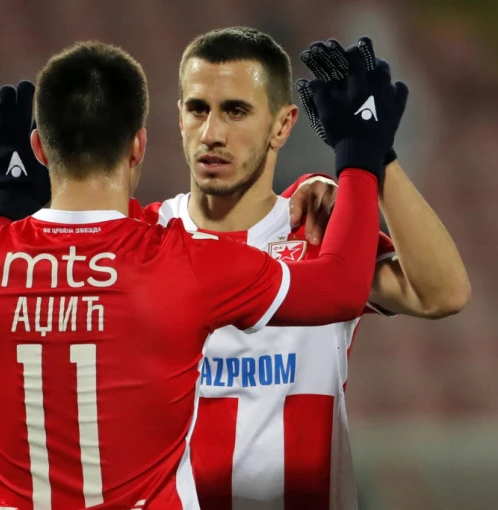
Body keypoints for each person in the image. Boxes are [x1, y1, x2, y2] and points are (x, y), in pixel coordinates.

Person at [0, 40, 404, 508]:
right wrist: (358, 155)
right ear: (138, 146)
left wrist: (5, 207)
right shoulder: (181, 261)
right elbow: (342, 287)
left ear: (39, 148)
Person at [138, 28, 469, 509]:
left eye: (236, 111)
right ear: (179, 116)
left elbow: (444, 294)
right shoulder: (141, 239)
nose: (211, 134)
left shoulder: (319, 233)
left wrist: (375, 155)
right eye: (198, 109)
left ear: (282, 125)